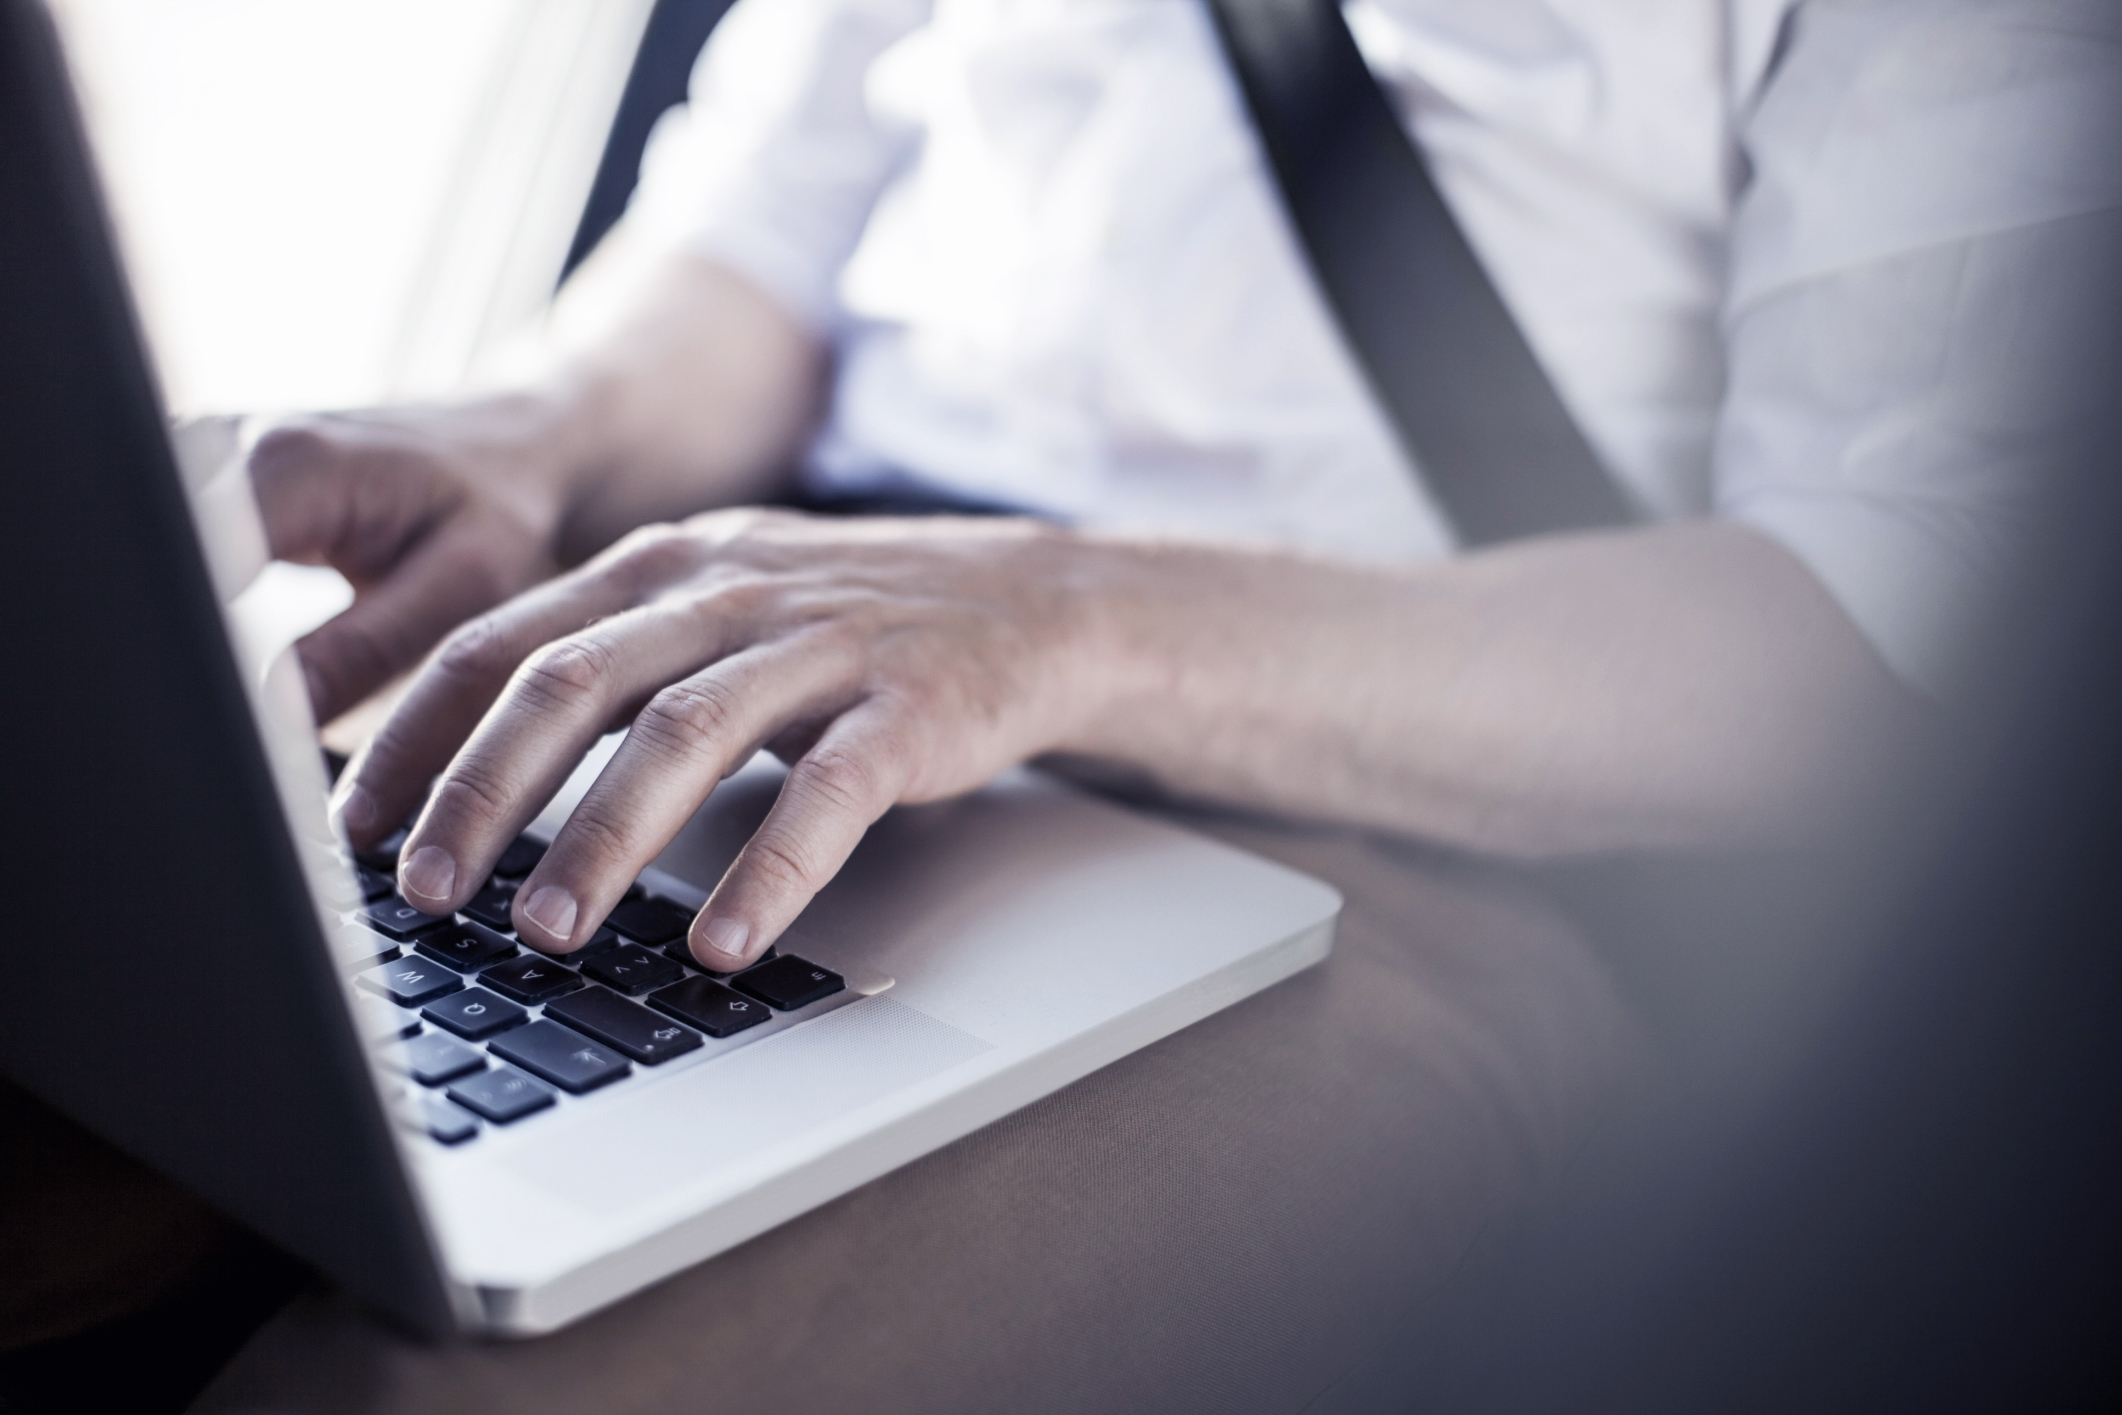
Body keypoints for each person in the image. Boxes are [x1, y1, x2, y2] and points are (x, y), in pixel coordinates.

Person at [171, 0, 2118, 1409]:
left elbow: (1898, 622)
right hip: (756, 678)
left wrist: (1064, 619)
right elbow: (758, 247)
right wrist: (539, 433)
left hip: (1366, 847)